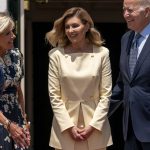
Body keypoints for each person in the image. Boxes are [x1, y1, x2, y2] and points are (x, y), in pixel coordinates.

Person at [46, 7, 112, 150]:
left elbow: (106, 95)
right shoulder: (55, 55)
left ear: (87, 26)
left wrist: (93, 126)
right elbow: (54, 96)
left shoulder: (102, 54)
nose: (70, 30)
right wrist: (69, 127)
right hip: (65, 130)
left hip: (96, 129)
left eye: (75, 25)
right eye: (67, 27)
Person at [110, 0, 150, 149]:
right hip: (130, 129)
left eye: (130, 10)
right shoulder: (126, 39)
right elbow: (123, 83)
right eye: (124, 10)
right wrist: (97, 116)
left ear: (147, 12)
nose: (126, 14)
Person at [0, 13, 30, 149]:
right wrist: (8, 125)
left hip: (15, 118)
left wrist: (24, 121)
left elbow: (19, 92)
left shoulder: (16, 56)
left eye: (12, 31)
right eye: (7, 33)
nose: (13, 36)